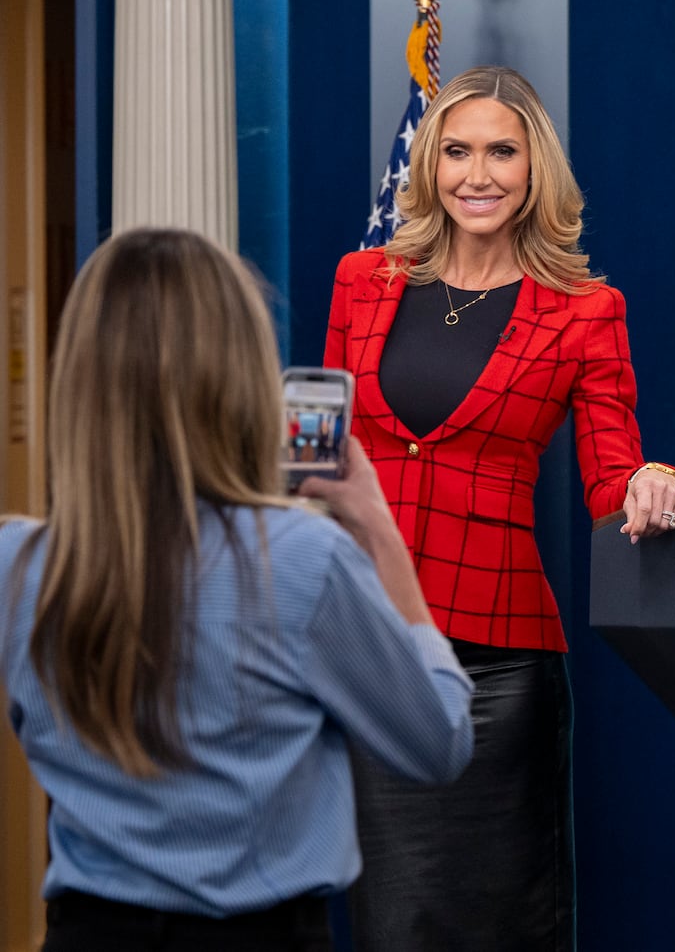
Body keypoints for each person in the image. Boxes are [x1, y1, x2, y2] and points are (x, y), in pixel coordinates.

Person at [0, 227, 475, 952]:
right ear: (241, 373)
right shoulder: (301, 560)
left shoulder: (16, 564)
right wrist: (379, 531)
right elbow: (438, 740)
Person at [324, 64, 675, 951]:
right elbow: (323, 457)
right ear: (428, 165)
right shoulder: (362, 280)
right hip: (373, 648)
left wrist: (655, 480)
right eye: (455, 151)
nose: (476, 174)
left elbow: (613, 476)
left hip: (500, 662)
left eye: (501, 152)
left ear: (535, 171)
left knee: (503, 921)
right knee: (392, 921)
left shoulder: (585, 310)